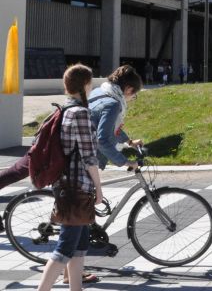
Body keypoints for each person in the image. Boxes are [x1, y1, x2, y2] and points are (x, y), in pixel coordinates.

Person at [34, 64, 103, 291]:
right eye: (90, 83)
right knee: (65, 248)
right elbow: (89, 157)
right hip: (76, 187)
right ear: (86, 85)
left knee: (79, 246)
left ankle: (76, 288)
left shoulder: (64, 110)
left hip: (65, 184)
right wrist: (99, 188)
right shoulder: (80, 113)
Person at [88, 65, 144, 171]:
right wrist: (126, 162)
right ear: (129, 89)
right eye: (134, 95)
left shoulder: (99, 91)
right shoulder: (113, 104)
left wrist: (129, 142)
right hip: (85, 159)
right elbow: (102, 140)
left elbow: (110, 127)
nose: (133, 98)